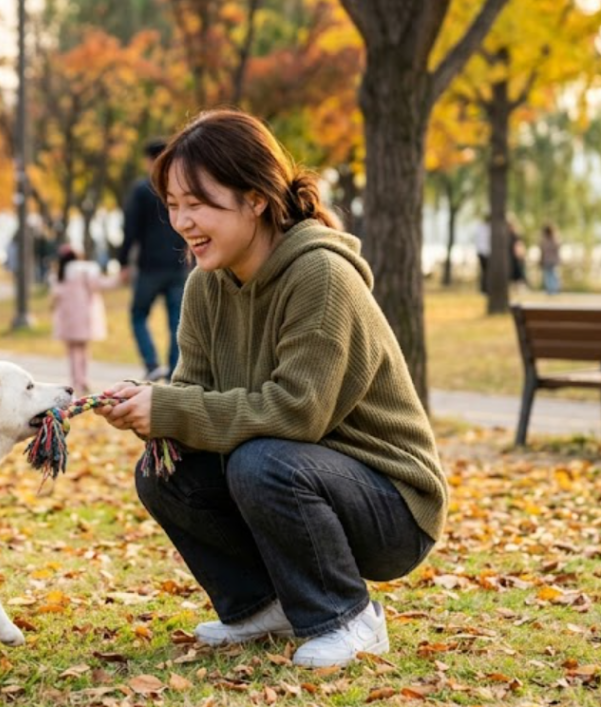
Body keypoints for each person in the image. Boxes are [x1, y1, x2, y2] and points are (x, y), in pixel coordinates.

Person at [94, 110, 446, 668]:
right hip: (299, 474)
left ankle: (350, 618)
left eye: (198, 203)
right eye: (173, 204)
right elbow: (192, 399)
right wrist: (152, 407)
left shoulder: (321, 277)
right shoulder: (205, 287)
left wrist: (174, 408)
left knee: (262, 461)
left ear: (255, 198)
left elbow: (298, 412)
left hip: (391, 503)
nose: (182, 221)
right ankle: (263, 605)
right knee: (166, 464)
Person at [119, 139, 190, 382]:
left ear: (150, 160)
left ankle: (151, 363)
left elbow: (130, 229)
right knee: (177, 323)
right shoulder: (181, 186)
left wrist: (124, 263)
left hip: (150, 266)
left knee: (138, 314)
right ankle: (173, 372)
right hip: (179, 265)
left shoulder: (141, 190)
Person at [50, 245, 113, 394]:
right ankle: (83, 380)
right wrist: (120, 278)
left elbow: (55, 296)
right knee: (83, 350)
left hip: (67, 319)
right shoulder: (85, 271)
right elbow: (99, 285)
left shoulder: (59, 275)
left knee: (72, 351)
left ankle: (76, 380)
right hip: (85, 318)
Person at [539, 223, 561, 296]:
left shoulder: (545, 240)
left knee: (549, 275)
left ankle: (551, 290)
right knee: (552, 275)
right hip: (552, 260)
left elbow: (542, 251)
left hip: (548, 260)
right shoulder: (555, 239)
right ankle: (553, 290)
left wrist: (541, 260)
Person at [508, 218, 528, 294]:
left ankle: (520, 289)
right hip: (511, 258)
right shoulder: (509, 235)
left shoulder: (516, 236)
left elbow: (520, 246)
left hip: (516, 258)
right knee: (514, 274)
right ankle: (514, 289)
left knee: (519, 273)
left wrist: (521, 255)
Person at [473, 215, 490, 294]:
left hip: (481, 251)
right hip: (485, 252)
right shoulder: (488, 228)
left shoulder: (479, 227)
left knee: (484, 271)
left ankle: (484, 288)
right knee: (486, 271)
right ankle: (485, 288)